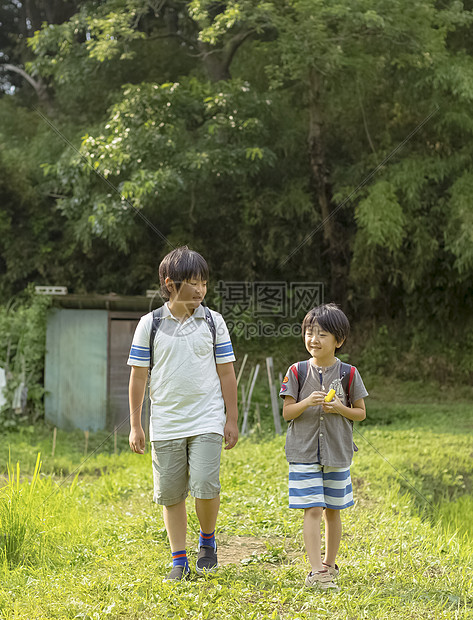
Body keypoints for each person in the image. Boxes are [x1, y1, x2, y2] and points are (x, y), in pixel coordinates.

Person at [127, 246, 238, 581]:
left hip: (206, 418)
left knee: (205, 483)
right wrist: (136, 424)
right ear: (170, 283)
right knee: (171, 493)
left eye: (204, 282)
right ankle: (179, 560)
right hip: (165, 423)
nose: (201, 289)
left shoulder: (214, 322)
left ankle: (207, 540)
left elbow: (227, 373)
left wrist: (231, 418)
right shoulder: (151, 324)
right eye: (193, 282)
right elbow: (138, 376)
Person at [279, 303, 368, 590]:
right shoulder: (296, 371)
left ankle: (330, 564)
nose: (313, 340)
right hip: (303, 453)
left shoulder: (349, 374)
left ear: (338, 341)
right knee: (313, 508)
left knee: (333, 509)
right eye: (309, 332)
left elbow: (360, 413)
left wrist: (340, 408)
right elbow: (287, 413)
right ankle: (316, 571)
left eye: (322, 335)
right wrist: (308, 402)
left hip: (336, 452)